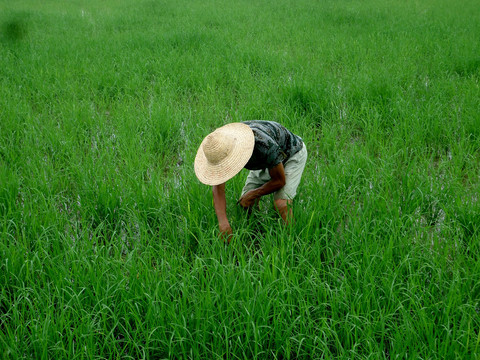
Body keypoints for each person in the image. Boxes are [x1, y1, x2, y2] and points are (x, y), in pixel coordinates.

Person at [194, 120, 307, 238]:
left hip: (291, 153)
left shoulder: (262, 145)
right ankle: (258, 234)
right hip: (264, 159)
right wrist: (223, 223)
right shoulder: (220, 145)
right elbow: (218, 189)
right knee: (246, 203)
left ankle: (291, 240)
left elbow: (279, 180)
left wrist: (254, 194)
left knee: (281, 204)